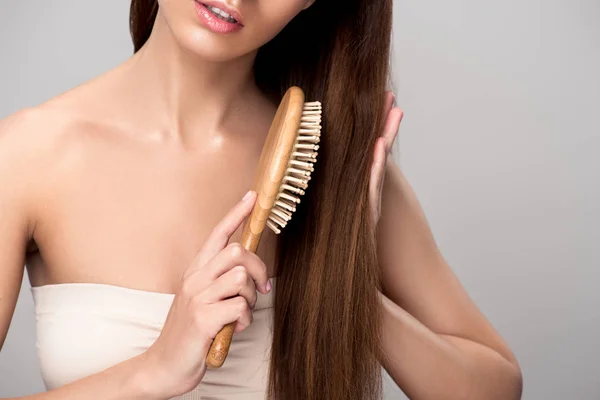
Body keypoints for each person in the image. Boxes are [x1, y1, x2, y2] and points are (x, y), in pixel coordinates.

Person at [0, 0, 523, 399]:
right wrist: (153, 370)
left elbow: (495, 386)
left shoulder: (335, 171)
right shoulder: (27, 154)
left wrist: (348, 287)